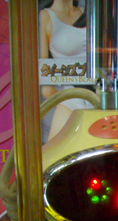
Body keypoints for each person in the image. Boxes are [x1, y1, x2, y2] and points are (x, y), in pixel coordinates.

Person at [38, 0, 89, 141]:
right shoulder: (45, 16)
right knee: (57, 153)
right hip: (70, 101)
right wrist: (67, 99)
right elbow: (46, 88)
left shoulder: (88, 13)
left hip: (102, 98)